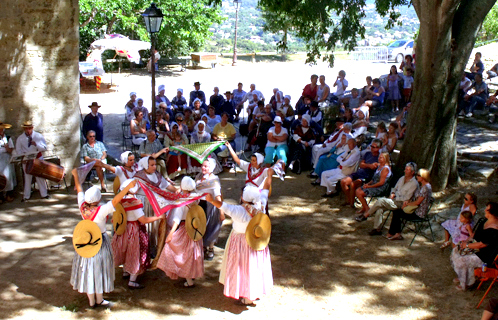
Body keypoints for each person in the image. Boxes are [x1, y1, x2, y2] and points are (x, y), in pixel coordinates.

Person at [70, 168, 136, 308]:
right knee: (99, 270)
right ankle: (99, 300)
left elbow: (79, 189)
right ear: (98, 199)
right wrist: (127, 188)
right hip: (100, 243)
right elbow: (116, 200)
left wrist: (76, 175)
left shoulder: (83, 206)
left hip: (86, 243)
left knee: (88, 270)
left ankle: (92, 301)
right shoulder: (101, 210)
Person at [205, 184, 273, 306]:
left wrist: (211, 200)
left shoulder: (240, 211)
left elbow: (225, 207)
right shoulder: (260, 206)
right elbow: (265, 192)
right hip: (257, 241)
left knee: (244, 268)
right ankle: (254, 292)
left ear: (242, 197)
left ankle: (247, 296)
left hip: (242, 242)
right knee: (254, 267)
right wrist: (268, 178)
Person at [111, 179, 165, 289]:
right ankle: (132, 279)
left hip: (122, 228)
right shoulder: (134, 202)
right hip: (134, 229)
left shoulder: (119, 201)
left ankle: (126, 271)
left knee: (125, 250)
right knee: (136, 252)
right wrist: (158, 217)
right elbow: (143, 219)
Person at [157, 177, 204, 288]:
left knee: (181, 254)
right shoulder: (195, 198)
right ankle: (191, 276)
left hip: (184, 228)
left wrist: (171, 233)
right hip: (195, 228)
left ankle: (189, 279)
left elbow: (177, 219)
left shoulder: (182, 202)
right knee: (192, 253)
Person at [357, 162, 419, 236]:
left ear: (412, 172)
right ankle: (377, 229)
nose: (405, 171)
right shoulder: (402, 178)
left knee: (381, 200)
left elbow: (407, 198)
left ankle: (366, 215)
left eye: (407, 170)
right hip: (393, 200)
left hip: (401, 203)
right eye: (405, 169)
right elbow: (394, 188)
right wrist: (392, 193)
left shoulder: (414, 184)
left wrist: (395, 197)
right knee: (380, 208)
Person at [134, 157, 180, 256]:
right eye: (152, 165)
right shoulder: (138, 177)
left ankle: (153, 249)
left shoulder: (157, 175)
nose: (154, 167)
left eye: (155, 164)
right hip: (144, 205)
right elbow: (132, 190)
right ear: (146, 165)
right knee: (146, 227)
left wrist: (176, 191)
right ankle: (144, 249)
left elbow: (166, 185)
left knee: (154, 227)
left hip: (155, 204)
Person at [451, 202, 498, 291]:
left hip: (484, 255)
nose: (484, 210)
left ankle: (466, 283)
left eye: (486, 208)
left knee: (463, 259)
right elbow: (474, 235)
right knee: (456, 250)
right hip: (475, 247)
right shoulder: (484, 221)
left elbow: (482, 244)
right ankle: (462, 276)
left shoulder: (494, 229)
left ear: (492, 212)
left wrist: (467, 245)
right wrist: (465, 241)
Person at [384, 168, 433, 240]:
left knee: (397, 212)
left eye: (419, 175)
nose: (417, 177)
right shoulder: (422, 186)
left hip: (419, 213)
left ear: (423, 177)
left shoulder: (426, 188)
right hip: (415, 209)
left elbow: (418, 202)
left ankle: (394, 233)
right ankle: (394, 233)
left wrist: (407, 204)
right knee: (397, 211)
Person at [339, 139, 382, 207]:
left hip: (367, 177)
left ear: (379, 148)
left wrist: (366, 165)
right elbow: (361, 164)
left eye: (374, 147)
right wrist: (369, 165)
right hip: (358, 173)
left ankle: (351, 203)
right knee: (343, 182)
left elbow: (375, 167)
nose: (372, 148)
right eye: (371, 146)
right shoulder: (367, 154)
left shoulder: (380, 158)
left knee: (353, 184)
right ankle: (349, 199)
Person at [195, 158, 224, 260]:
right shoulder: (198, 176)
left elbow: (217, 196)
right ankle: (203, 246)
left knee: (212, 226)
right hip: (200, 205)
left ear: (211, 167)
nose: (203, 168)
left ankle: (210, 248)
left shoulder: (214, 180)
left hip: (211, 206)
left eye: (206, 166)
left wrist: (221, 211)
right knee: (201, 226)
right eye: (202, 165)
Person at [15, 120, 49, 201]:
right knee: (27, 178)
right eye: (26, 128)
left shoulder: (38, 136)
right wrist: (22, 158)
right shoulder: (20, 138)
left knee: (40, 177)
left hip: (37, 158)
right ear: (24, 129)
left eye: (30, 128)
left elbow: (44, 148)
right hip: (27, 159)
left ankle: (44, 194)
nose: (28, 130)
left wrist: (36, 144)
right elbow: (18, 150)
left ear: (32, 128)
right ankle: (26, 196)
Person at [0, 122, 15, 203]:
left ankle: (8, 195)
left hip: (6, 160)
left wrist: (6, 146)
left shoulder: (8, 138)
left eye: (2, 129)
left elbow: (11, 151)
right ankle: (1, 196)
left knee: (8, 177)